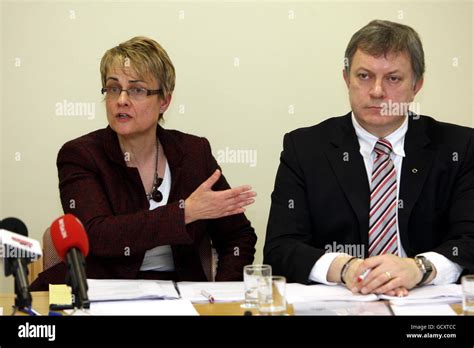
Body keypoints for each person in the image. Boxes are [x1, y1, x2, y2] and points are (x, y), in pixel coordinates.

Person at [264, 20, 474, 296]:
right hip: (339, 302)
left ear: (417, 85)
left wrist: (419, 268)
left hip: (425, 302)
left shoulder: (459, 146)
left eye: (393, 78)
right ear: (346, 78)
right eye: (364, 76)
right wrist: (345, 268)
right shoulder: (304, 148)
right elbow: (281, 248)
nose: (377, 91)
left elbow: (470, 239)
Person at [31, 36, 257, 290]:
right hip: (99, 292)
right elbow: (97, 234)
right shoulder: (81, 155)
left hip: (179, 295)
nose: (121, 100)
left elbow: (238, 236)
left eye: (137, 90)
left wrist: (222, 294)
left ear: (164, 101)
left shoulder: (194, 152)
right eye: (113, 88)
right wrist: (186, 213)